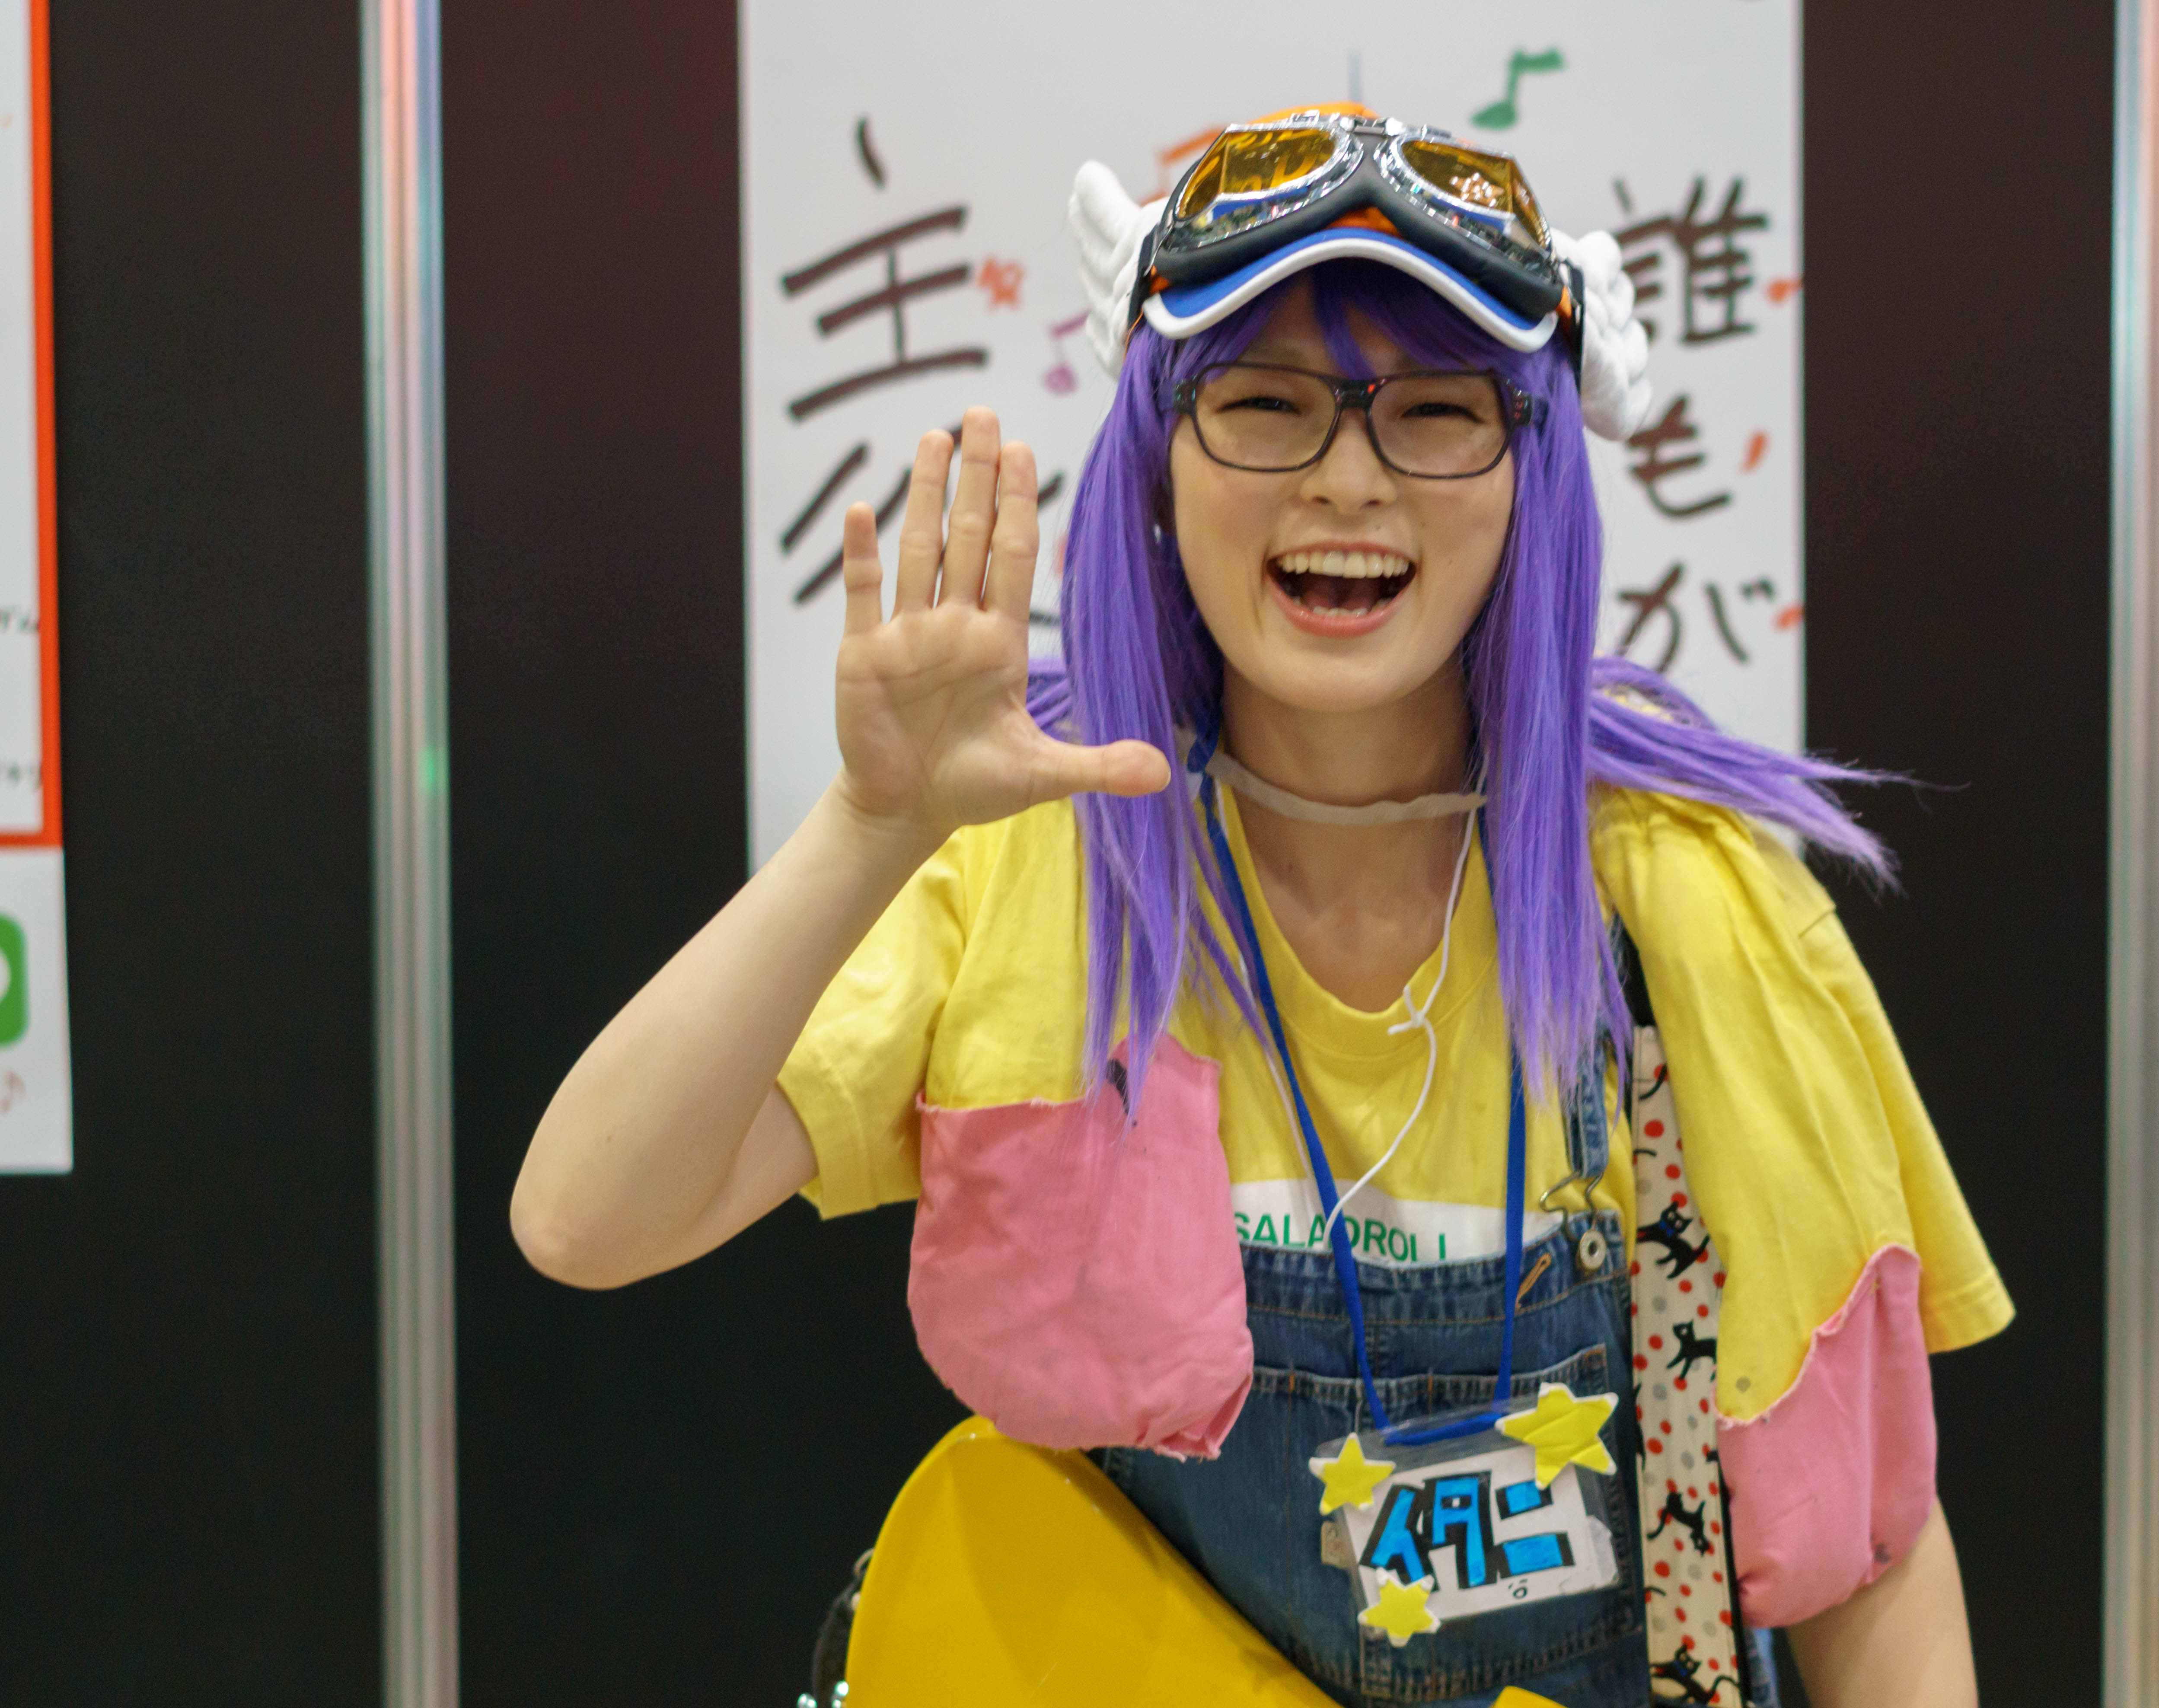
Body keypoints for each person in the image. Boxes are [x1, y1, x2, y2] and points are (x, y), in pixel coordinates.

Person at [512, 107, 2011, 1708]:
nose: (1349, 479)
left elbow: (1871, 1540)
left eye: (1437, 414)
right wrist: (870, 827)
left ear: (1534, 473)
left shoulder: (1684, 896)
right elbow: (589, 1218)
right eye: (1266, 405)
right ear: (1159, 463)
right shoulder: (1042, 859)